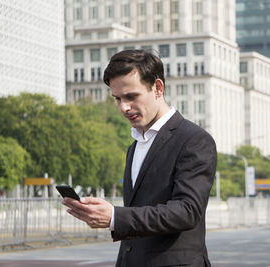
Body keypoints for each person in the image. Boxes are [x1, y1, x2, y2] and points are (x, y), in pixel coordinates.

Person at [62, 49, 217, 267]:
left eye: (131, 96)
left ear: (158, 88)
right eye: (117, 99)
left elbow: (187, 211)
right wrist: (103, 213)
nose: (124, 107)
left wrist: (115, 217)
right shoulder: (135, 146)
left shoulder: (194, 140)